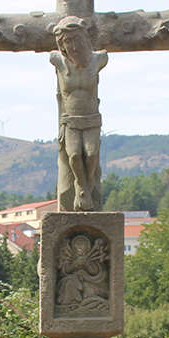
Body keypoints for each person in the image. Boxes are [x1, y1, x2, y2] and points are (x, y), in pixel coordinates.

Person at [49, 16, 109, 211]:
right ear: (62, 45)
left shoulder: (98, 59)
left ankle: (87, 184)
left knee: (91, 155)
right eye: (67, 41)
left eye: (76, 39)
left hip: (91, 119)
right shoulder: (58, 61)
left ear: (85, 38)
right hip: (70, 120)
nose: (73, 46)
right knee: (74, 156)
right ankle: (80, 186)